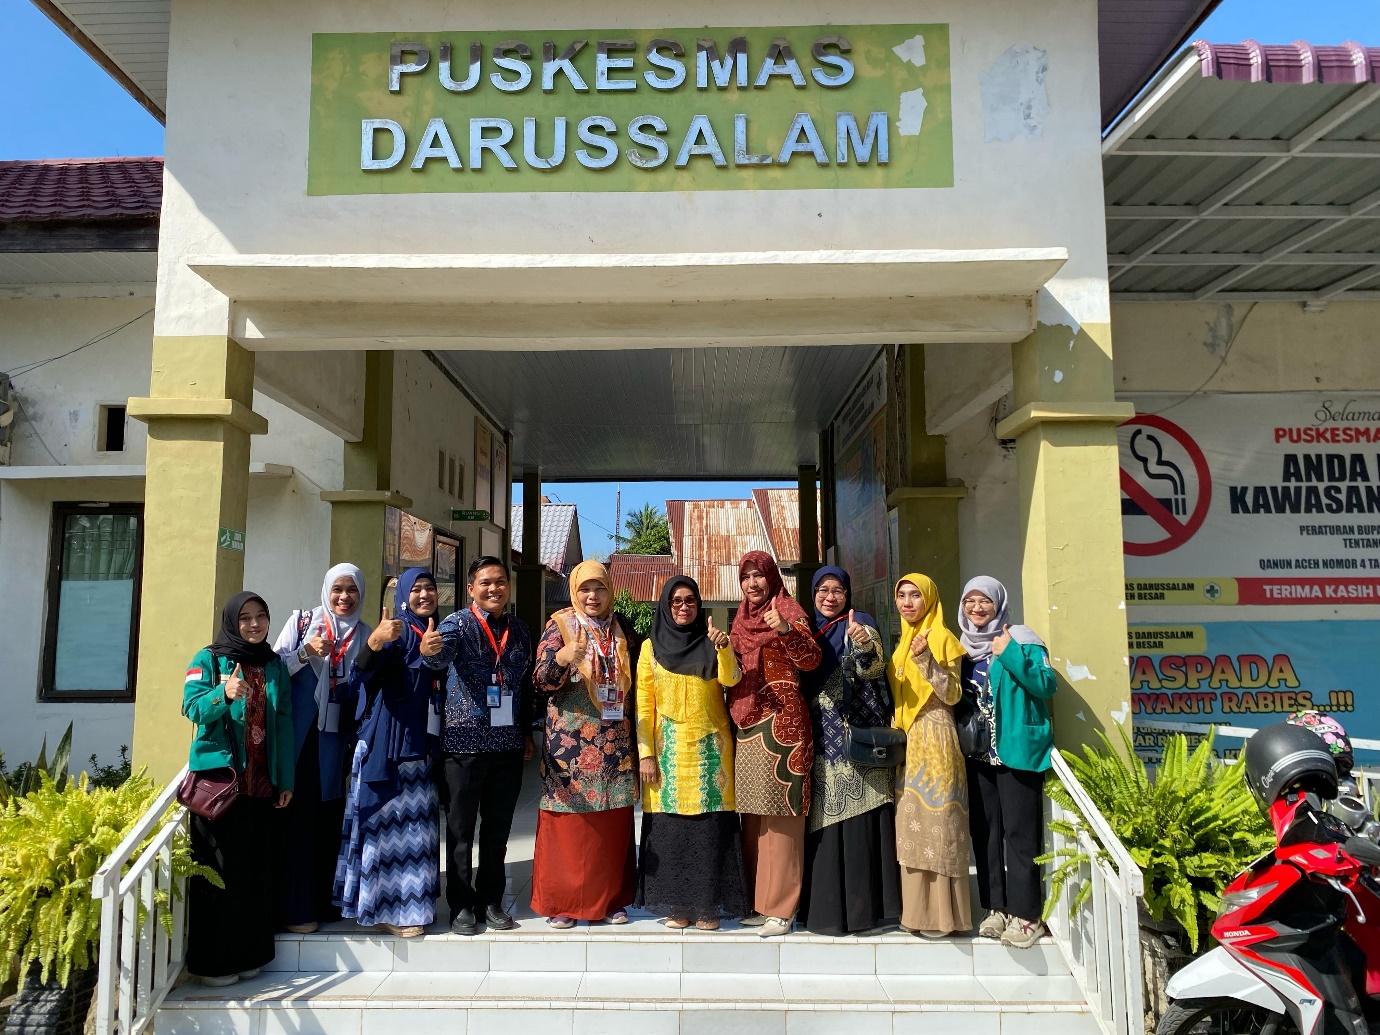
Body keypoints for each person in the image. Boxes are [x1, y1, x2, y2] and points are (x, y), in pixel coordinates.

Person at [183, 592, 294, 985]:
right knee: (218, 873)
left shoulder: (274, 664)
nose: (254, 624)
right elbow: (192, 708)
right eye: (245, 618)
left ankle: (250, 956)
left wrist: (286, 780)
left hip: (262, 786)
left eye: (261, 616)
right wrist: (222, 694)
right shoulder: (208, 659)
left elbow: (284, 722)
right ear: (232, 621)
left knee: (255, 873)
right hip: (221, 787)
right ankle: (215, 964)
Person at [422, 555, 535, 936]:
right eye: (485, 582)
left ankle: (491, 900)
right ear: (471, 588)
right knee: (460, 830)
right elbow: (439, 657)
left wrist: (525, 733)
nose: (494, 588)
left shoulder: (520, 629)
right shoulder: (456, 624)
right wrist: (429, 651)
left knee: (498, 830)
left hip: (506, 744)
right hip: (464, 745)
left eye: (500, 581)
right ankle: (460, 905)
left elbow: (523, 685)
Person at [334, 567, 444, 938]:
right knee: (389, 830)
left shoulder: (433, 632)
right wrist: (376, 642)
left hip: (421, 751)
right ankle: (388, 910)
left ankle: (415, 906)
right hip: (390, 748)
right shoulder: (396, 631)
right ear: (402, 597)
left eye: (430, 588)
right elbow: (359, 678)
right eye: (416, 589)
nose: (424, 595)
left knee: (419, 832)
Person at [531, 560, 640, 928]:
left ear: (610, 591)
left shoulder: (622, 628)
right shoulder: (560, 624)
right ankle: (563, 903)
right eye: (584, 589)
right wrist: (563, 658)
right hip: (570, 744)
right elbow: (541, 681)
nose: (593, 596)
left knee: (610, 824)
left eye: (600, 588)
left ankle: (609, 900)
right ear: (574, 591)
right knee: (570, 825)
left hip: (614, 741)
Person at [635, 576, 749, 930]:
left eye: (690, 601)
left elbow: (732, 680)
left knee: (709, 830)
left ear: (699, 605)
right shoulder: (650, 648)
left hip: (710, 749)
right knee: (672, 833)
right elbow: (643, 704)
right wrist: (645, 753)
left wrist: (724, 648)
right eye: (676, 601)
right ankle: (678, 905)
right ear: (665, 605)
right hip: (668, 751)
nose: (683, 607)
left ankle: (707, 907)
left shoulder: (713, 642)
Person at [799, 565, 901, 936]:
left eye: (837, 590)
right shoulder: (806, 630)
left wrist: (862, 643)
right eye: (823, 590)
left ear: (847, 594)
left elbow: (873, 669)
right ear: (813, 594)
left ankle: (863, 913)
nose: (830, 597)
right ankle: (825, 913)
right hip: (820, 745)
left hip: (857, 743)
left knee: (860, 828)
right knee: (823, 829)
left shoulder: (861, 623)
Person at [272, 563, 372, 933]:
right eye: (337, 589)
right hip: (299, 741)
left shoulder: (365, 634)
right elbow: (271, 671)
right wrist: (304, 653)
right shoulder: (302, 623)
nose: (344, 597)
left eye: (352, 590)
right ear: (326, 591)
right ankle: (295, 910)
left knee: (328, 819)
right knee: (298, 819)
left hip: (338, 742)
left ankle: (324, 902)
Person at [958, 576, 1057, 949]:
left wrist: (1010, 652)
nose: (977, 608)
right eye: (970, 602)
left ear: (998, 603)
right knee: (985, 835)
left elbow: (1046, 685)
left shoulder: (1023, 639)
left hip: (1017, 753)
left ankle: (1026, 915)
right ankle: (995, 908)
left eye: (984, 601)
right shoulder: (962, 648)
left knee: (1020, 835)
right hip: (979, 756)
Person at [729, 551, 822, 938]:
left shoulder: (789, 610)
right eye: (746, 576)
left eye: (758, 575)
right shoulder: (740, 618)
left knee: (783, 814)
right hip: (748, 725)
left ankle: (782, 907)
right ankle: (757, 901)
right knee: (753, 816)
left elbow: (812, 659)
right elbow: (732, 671)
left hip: (784, 724)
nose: (752, 583)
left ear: (772, 577)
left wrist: (785, 630)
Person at [889, 573, 972, 938]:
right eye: (902, 596)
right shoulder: (902, 642)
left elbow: (952, 694)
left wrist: (926, 660)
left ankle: (943, 917)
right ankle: (916, 913)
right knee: (912, 826)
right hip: (909, 743)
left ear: (930, 599)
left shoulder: (942, 638)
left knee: (940, 825)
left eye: (915, 596)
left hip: (937, 738)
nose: (907, 603)